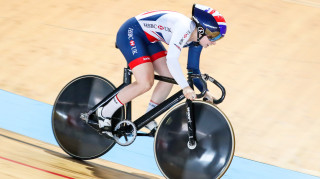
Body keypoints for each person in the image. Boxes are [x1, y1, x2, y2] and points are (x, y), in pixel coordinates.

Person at [97, 4, 227, 137]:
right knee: (145, 82)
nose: (214, 42)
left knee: (170, 77)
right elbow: (172, 60)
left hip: (149, 39)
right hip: (132, 31)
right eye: (213, 36)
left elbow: (193, 69)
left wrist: (205, 92)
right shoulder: (184, 27)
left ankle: (149, 116)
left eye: (218, 38)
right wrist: (185, 87)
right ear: (201, 29)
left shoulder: (197, 41)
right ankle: (104, 113)